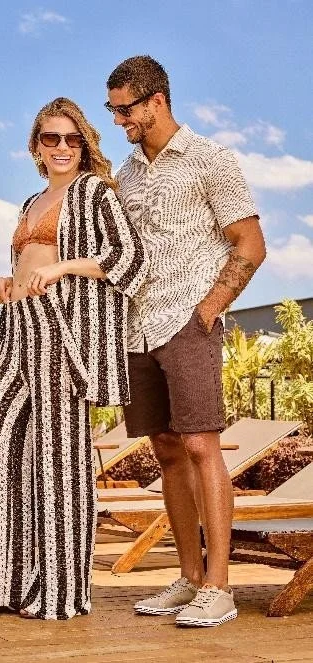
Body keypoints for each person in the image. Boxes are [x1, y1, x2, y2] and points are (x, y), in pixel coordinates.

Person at [0, 97, 148, 620]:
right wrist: (6, 281)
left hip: (62, 331)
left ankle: (61, 592)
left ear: (84, 145)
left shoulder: (94, 192)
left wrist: (63, 268)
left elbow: (129, 257)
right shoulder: (31, 201)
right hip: (17, 326)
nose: (62, 147)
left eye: (71, 139)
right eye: (51, 138)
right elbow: (26, 262)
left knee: (60, 463)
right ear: (36, 147)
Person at [105, 56, 266, 627]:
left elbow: (250, 243)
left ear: (157, 101)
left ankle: (220, 587)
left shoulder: (210, 158)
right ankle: (190, 577)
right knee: (167, 450)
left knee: (201, 445)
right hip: (138, 326)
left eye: (126, 109)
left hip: (187, 320)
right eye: (112, 110)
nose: (119, 120)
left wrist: (208, 309)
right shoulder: (125, 175)